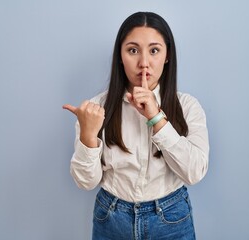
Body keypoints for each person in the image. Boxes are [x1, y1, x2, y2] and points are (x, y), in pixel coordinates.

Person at [63, 11, 209, 240]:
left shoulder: (188, 106)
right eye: (133, 50)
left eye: (154, 50)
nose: (144, 63)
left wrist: (156, 117)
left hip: (171, 218)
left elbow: (194, 173)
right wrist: (88, 138)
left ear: (167, 55)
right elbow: (85, 182)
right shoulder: (96, 107)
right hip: (111, 217)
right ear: (120, 56)